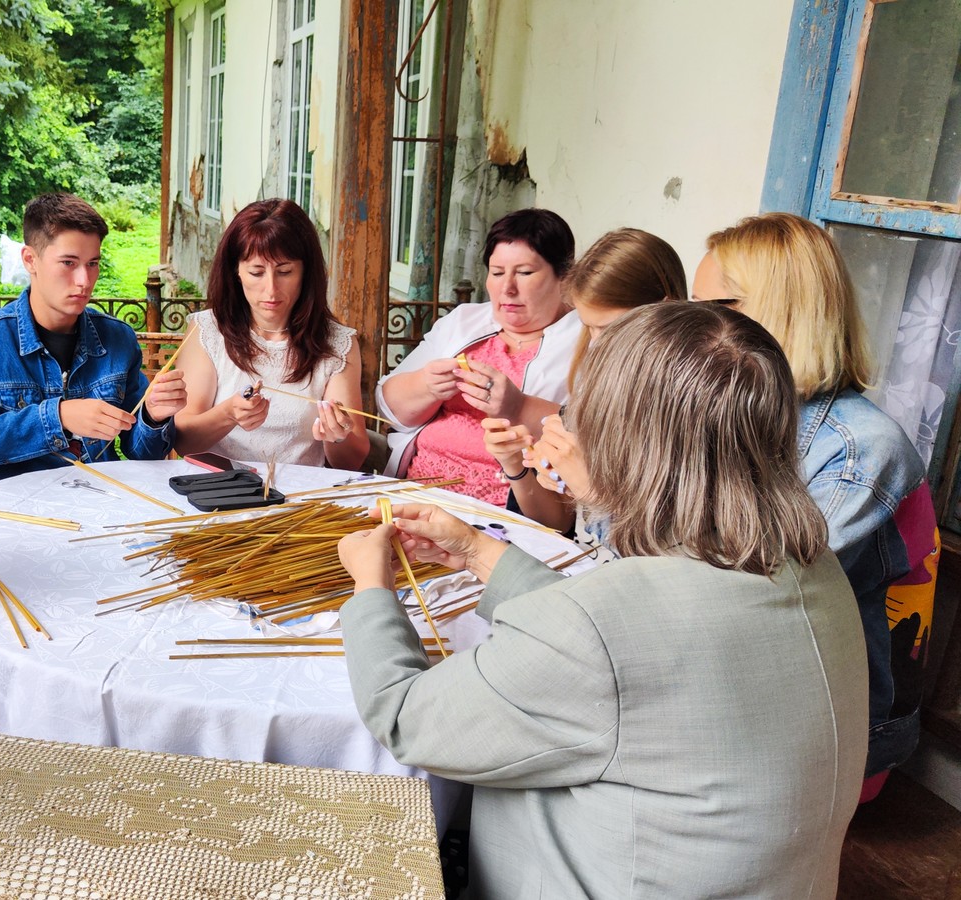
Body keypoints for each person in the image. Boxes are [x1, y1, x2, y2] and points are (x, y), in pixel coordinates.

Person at [338, 302, 865, 899]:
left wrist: (371, 587)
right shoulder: (812, 566)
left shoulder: (607, 626)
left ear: (629, 444)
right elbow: (636, 647)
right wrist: (479, 554)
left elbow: (408, 717)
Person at [695, 212, 931, 782]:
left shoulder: (858, 448)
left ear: (782, 316)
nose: (689, 329)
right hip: (733, 681)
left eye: (713, 311)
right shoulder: (739, 410)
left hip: (817, 729)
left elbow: (754, 598)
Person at [0, 193, 187, 485]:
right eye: (69, 262)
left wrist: (153, 417)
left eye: (93, 263)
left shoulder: (117, 339)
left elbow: (142, 451)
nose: (84, 281)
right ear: (31, 259)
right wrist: (58, 418)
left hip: (104, 510)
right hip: (19, 517)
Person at [482, 227, 685, 531]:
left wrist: (590, 491)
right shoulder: (594, 386)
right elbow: (557, 524)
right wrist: (515, 465)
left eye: (609, 328)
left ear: (662, 311)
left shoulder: (690, 404)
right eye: (588, 327)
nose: (595, 344)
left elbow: (666, 551)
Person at [376, 208, 582, 504]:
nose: (507, 288)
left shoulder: (584, 338)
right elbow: (388, 408)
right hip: (415, 494)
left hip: (507, 512)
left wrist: (518, 407)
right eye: (497, 273)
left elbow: (594, 439)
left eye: (524, 273)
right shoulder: (464, 321)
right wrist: (426, 386)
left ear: (564, 275)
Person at [172, 199, 366, 469]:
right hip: (217, 492)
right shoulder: (209, 331)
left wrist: (338, 437)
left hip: (302, 499)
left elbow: (353, 460)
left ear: (306, 272)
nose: (271, 290)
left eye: (285, 271)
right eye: (256, 272)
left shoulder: (337, 343)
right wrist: (228, 414)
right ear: (236, 271)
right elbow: (181, 440)